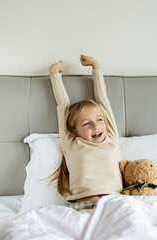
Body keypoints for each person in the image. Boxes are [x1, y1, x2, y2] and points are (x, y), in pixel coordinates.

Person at [49, 55, 123, 211]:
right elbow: (63, 104)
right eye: (87, 123)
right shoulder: (72, 144)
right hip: (83, 207)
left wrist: (96, 66)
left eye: (99, 120)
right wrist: (55, 74)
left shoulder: (111, 138)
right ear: (73, 130)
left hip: (115, 205)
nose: (96, 126)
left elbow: (103, 100)